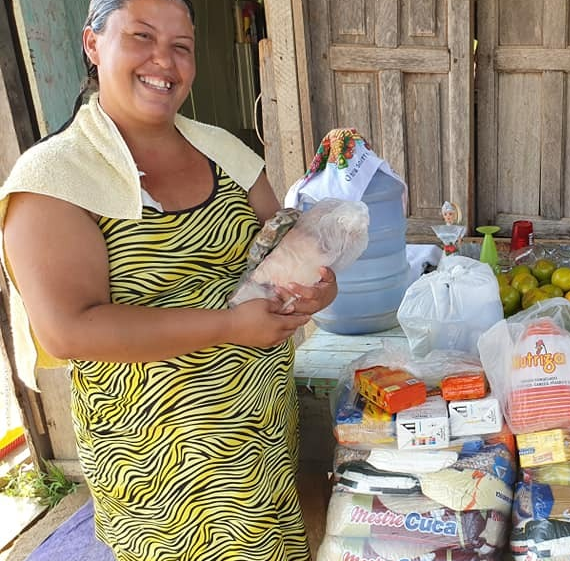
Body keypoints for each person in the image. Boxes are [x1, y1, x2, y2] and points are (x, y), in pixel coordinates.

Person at [0, 0, 335, 559]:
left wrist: (318, 284)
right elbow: (68, 331)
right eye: (141, 36)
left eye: (181, 46)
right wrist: (229, 326)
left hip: (260, 436)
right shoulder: (55, 179)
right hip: (161, 471)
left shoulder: (227, 153)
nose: (165, 60)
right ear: (92, 44)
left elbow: (282, 253)